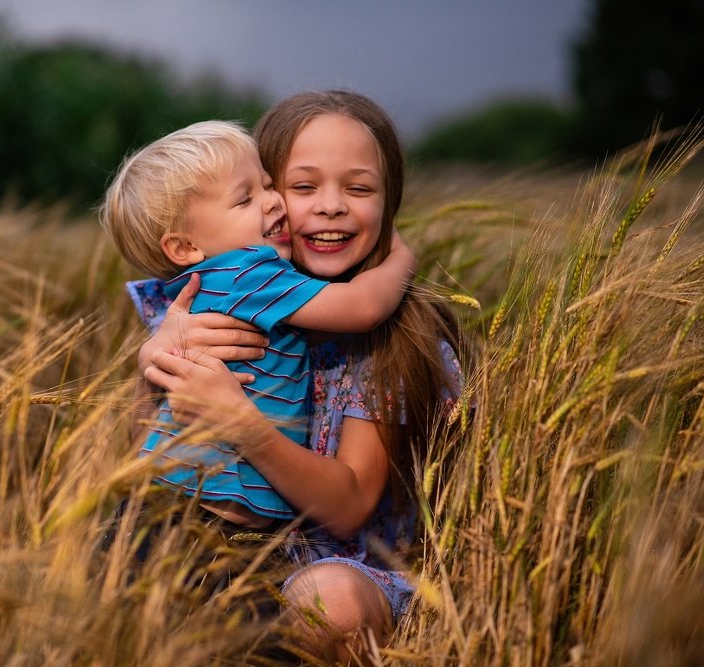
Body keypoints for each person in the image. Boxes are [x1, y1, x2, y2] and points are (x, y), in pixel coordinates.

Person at [134, 91, 465, 663]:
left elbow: (351, 505)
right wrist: (155, 364)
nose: (330, 206)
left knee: (327, 604)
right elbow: (151, 450)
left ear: (390, 204)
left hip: (344, 564)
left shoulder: (390, 341)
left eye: (359, 189)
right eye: (302, 186)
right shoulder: (216, 306)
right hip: (226, 547)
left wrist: (242, 424)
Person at [101, 120, 416, 528]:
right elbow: (364, 306)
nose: (272, 203)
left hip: (174, 507)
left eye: (268, 186)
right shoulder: (249, 272)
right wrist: (403, 258)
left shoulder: (205, 289)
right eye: (244, 199)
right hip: (189, 517)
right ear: (184, 246)